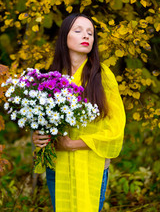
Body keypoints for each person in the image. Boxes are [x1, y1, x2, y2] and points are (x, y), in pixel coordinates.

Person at [32, 13, 126, 212]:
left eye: (90, 33)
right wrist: (39, 136)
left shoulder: (102, 76)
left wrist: (73, 144)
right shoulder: (51, 78)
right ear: (64, 37)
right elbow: (44, 122)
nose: (86, 36)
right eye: (78, 31)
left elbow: (115, 128)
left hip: (92, 164)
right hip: (57, 164)